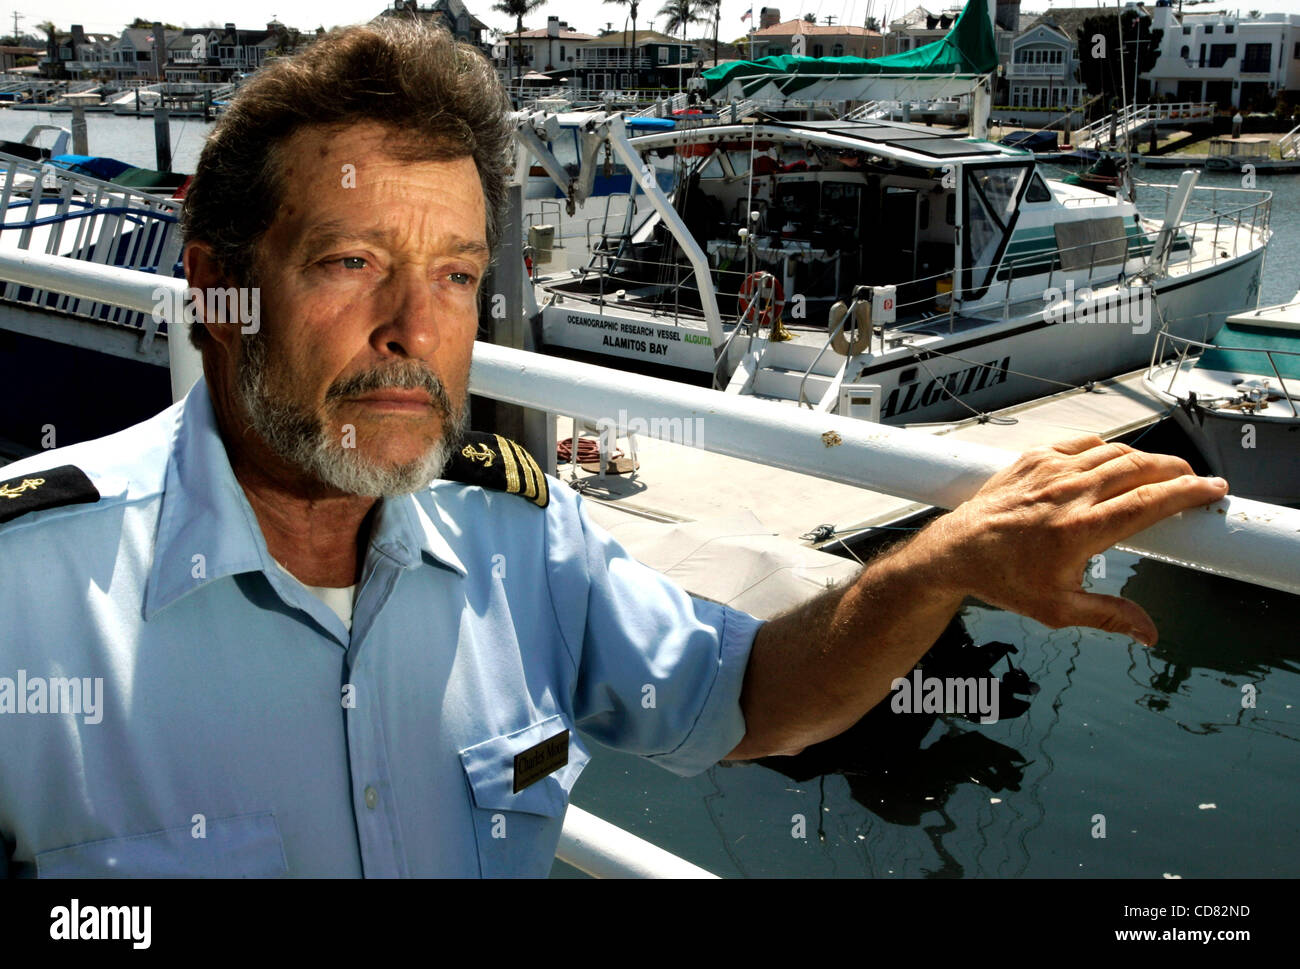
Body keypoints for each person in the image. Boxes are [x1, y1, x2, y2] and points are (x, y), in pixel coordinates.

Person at [0, 21, 1227, 877]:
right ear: (214, 288)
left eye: (458, 276)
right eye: (351, 263)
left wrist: (934, 566)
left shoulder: (520, 535)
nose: (416, 331)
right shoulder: (28, 602)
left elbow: (743, 700)